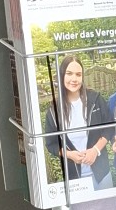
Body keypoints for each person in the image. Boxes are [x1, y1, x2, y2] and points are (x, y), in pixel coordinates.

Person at [42, 55, 112, 190]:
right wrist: (69, 155)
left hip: (101, 174)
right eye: (69, 73)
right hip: (74, 179)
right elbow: (51, 144)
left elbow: (109, 128)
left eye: (78, 74)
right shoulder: (53, 111)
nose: (74, 79)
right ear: (62, 75)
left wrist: (95, 150)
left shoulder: (95, 100)